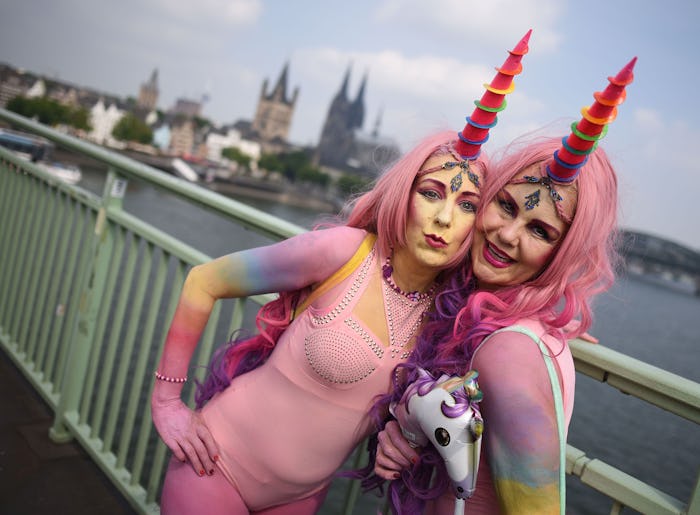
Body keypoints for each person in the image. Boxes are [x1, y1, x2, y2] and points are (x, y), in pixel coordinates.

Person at [149, 31, 533, 514]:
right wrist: (166, 403)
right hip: (215, 465)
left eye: (467, 205)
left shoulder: (449, 316)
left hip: (300, 498)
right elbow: (204, 280)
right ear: (404, 195)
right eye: (432, 193)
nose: (443, 218)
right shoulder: (344, 253)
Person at [367, 57, 636, 514]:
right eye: (507, 207)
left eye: (540, 231)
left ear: (562, 254)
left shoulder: (509, 351)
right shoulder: (489, 321)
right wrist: (406, 427)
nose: (508, 235)